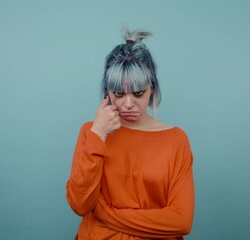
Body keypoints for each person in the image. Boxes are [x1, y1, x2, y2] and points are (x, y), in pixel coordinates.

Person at [66, 28, 195, 240]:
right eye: (118, 93)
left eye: (138, 93)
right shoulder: (91, 133)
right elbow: (80, 204)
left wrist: (106, 215)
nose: (127, 104)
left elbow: (181, 221)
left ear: (151, 88)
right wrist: (98, 134)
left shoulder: (176, 140)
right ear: (107, 91)